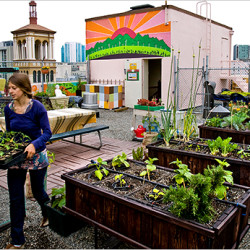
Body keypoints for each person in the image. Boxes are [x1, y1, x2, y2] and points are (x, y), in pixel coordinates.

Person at [4, 73, 52, 249]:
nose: (10, 91)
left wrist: (34, 144)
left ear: (24, 89)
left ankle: (47, 213)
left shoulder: (38, 108)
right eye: (9, 88)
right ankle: (18, 241)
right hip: (17, 158)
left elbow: (47, 133)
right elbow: (10, 134)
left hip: (37, 155)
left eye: (14, 88)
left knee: (39, 192)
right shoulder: (8, 109)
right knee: (15, 198)